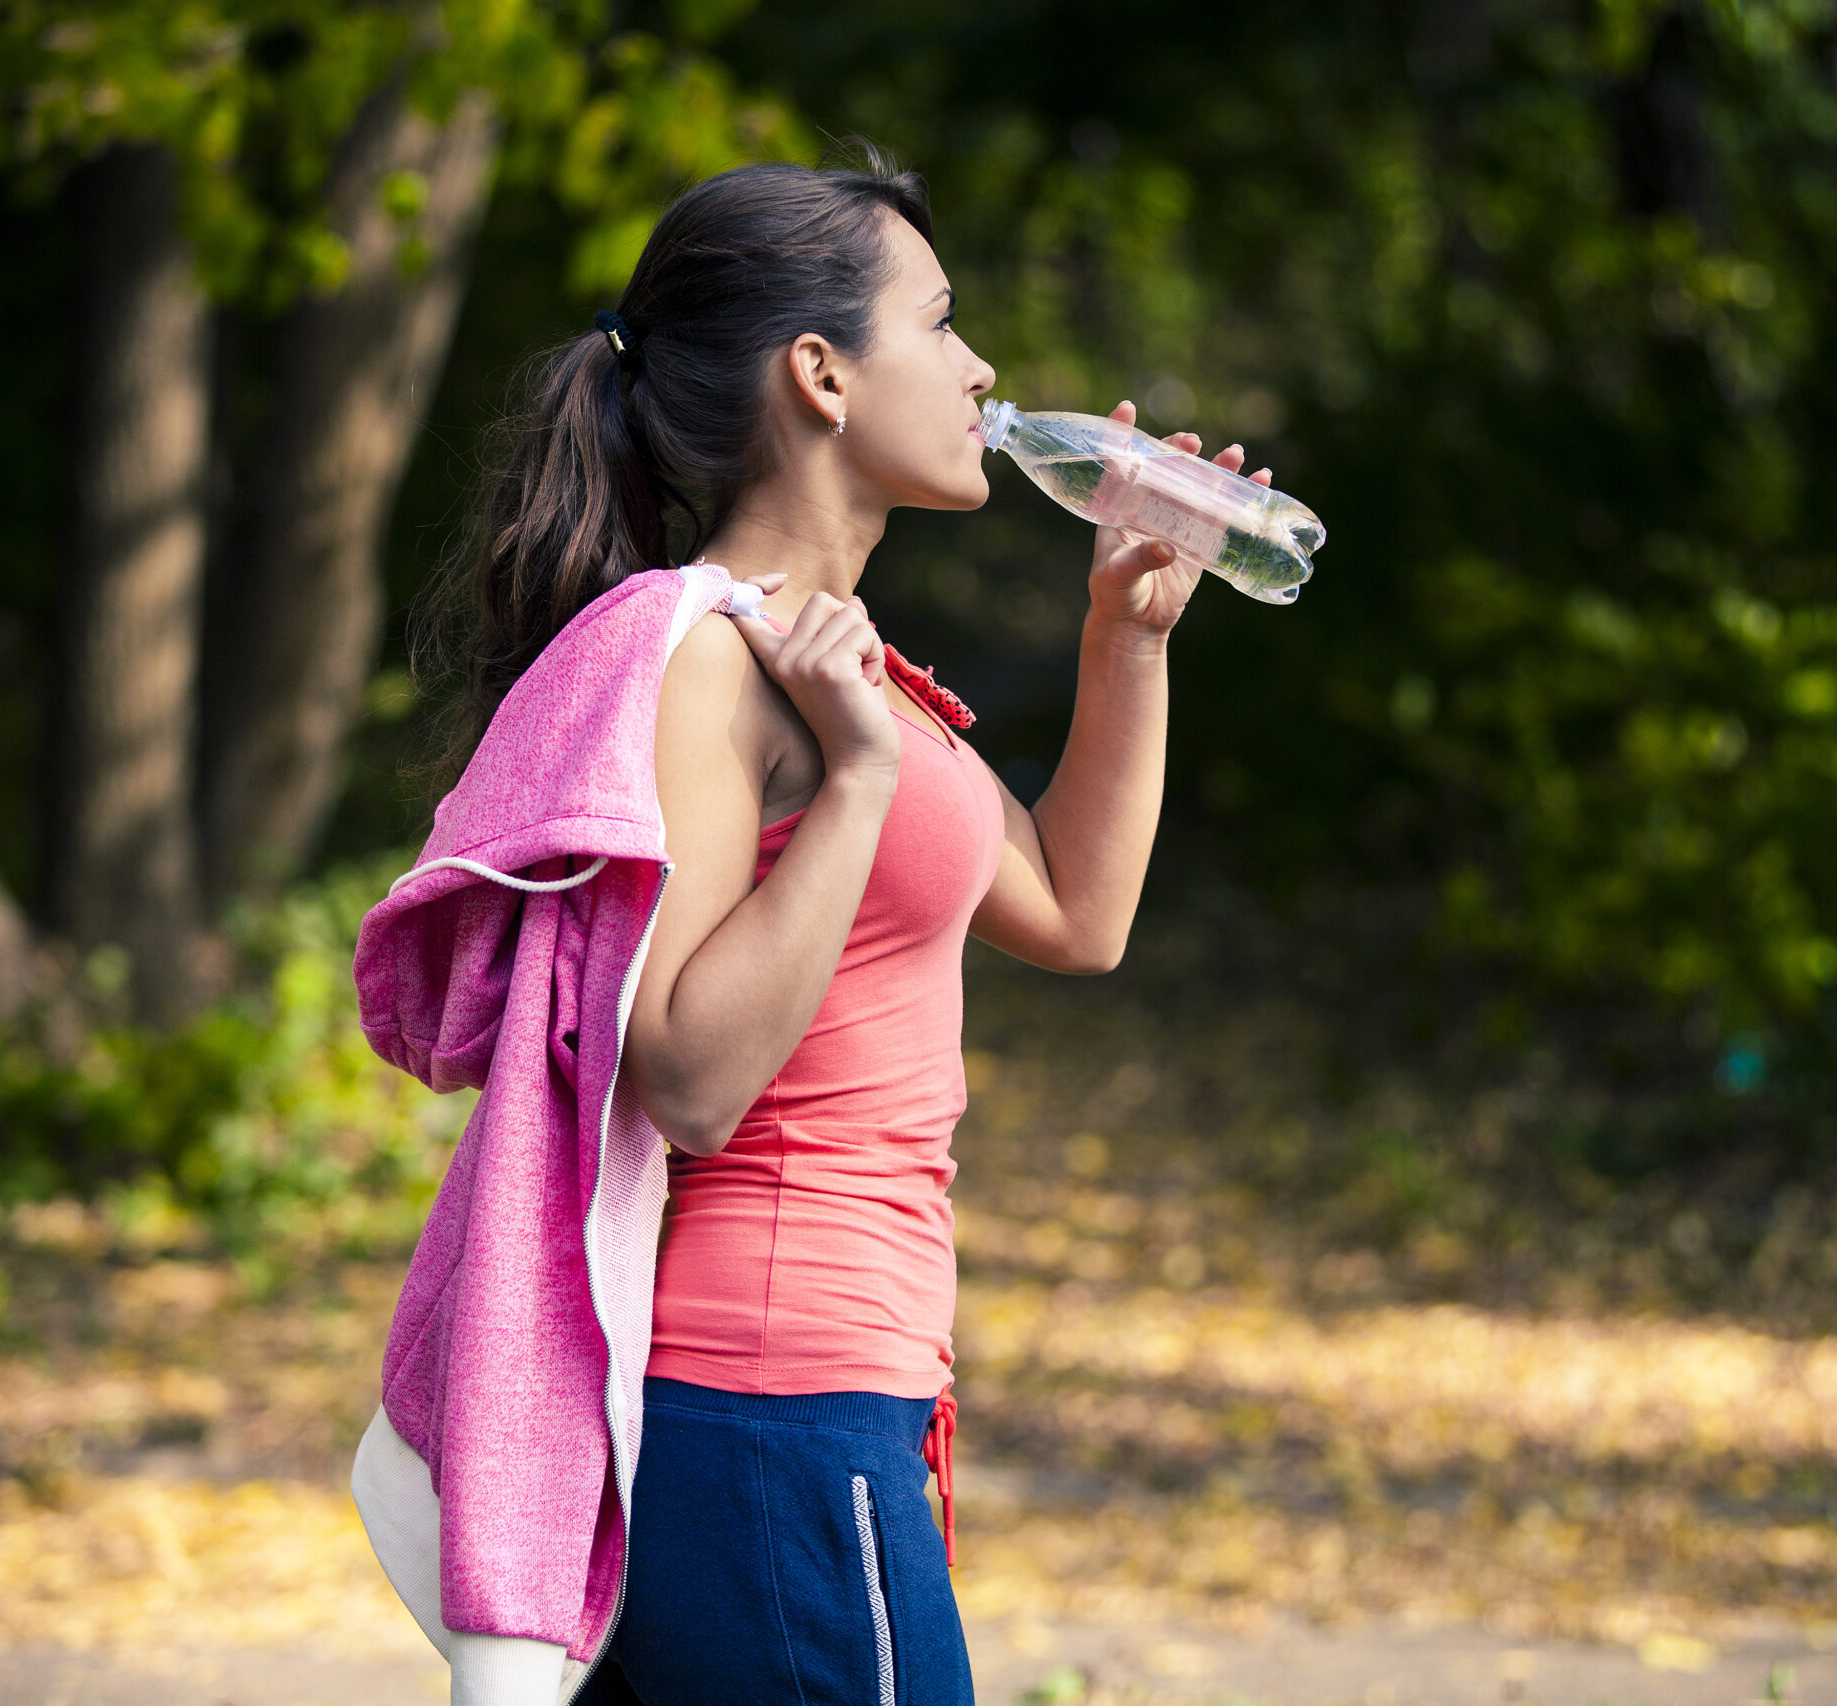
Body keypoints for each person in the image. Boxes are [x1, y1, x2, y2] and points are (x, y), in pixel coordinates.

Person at [350, 148, 1266, 1706]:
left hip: (842, 1392)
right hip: (760, 1395)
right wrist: (852, 781)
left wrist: (1126, 633)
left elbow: (1075, 909)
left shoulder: (856, 670)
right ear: (821, 373)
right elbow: (688, 1077)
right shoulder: (710, 660)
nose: (983, 369)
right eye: (943, 320)